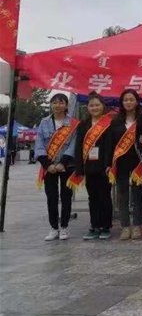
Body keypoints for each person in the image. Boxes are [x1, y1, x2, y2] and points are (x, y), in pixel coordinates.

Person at [35, 93, 78, 241]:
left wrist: (63, 163)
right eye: (54, 102)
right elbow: (39, 144)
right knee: (51, 197)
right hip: (49, 166)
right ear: (51, 105)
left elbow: (73, 144)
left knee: (66, 197)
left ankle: (64, 227)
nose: (57, 105)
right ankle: (54, 228)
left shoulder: (73, 123)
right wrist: (47, 164)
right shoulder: (44, 122)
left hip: (67, 165)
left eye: (61, 102)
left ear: (66, 105)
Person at [107, 89, 142, 241]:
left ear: (136, 102)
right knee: (122, 194)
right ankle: (125, 226)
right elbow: (110, 144)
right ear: (122, 103)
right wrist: (109, 163)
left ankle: (137, 225)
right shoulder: (116, 121)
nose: (128, 102)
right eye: (126, 100)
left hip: (138, 161)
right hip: (121, 162)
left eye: (131, 99)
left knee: (137, 194)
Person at [73, 92, 113, 240]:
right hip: (89, 166)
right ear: (87, 107)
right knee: (93, 197)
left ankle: (105, 227)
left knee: (105, 196)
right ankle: (94, 226)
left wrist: (109, 164)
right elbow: (78, 147)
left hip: (104, 166)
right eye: (91, 105)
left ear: (103, 106)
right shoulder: (83, 125)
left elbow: (110, 146)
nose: (94, 108)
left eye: (97, 105)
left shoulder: (109, 123)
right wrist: (79, 168)